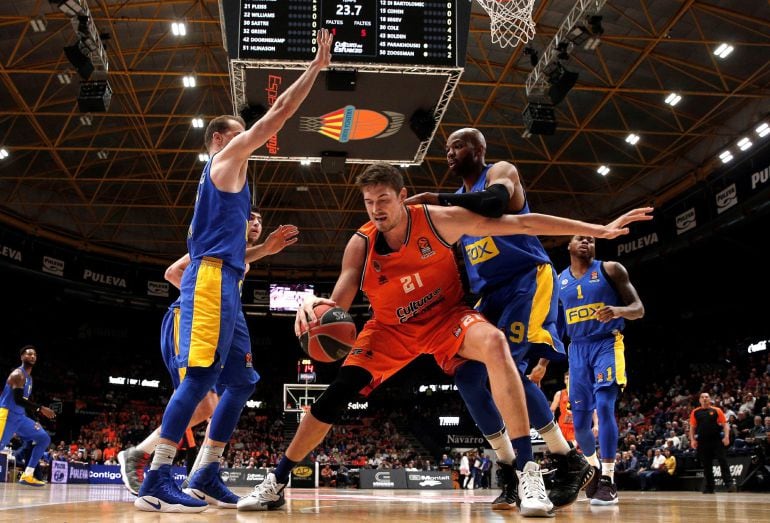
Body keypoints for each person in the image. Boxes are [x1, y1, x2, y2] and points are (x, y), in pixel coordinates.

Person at [237, 162, 652, 514]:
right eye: (369, 202)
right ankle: (275, 482)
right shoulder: (361, 244)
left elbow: (522, 222)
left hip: (445, 319)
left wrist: (599, 229)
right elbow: (340, 302)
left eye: (383, 199)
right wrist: (314, 305)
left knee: (495, 345)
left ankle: (527, 473)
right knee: (335, 394)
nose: (376, 209)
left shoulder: (439, 220)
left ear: (402, 196)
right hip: (389, 330)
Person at [134, 29, 332, 513]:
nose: (251, 137)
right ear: (221, 139)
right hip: (209, 280)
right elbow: (280, 112)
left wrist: (260, 247)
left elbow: (227, 246)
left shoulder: (233, 186)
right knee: (199, 378)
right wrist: (314, 68)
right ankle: (156, 475)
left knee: (241, 382)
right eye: (239, 131)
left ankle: (205, 472)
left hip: (228, 281)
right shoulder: (225, 161)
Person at [404, 128, 594, 510]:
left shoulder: (500, 172)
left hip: (527, 281)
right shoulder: (456, 205)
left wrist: (429, 199)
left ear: (478, 149)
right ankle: (510, 465)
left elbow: (493, 204)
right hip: (490, 295)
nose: (449, 154)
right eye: (446, 149)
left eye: (457, 146)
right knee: (468, 376)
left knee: (509, 371)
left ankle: (560, 457)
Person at [119, 213, 298, 496]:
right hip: (189, 318)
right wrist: (201, 300)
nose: (256, 224)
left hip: (220, 322)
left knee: (225, 398)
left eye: (260, 220)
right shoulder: (216, 245)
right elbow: (172, 272)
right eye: (249, 218)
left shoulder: (243, 257)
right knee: (204, 405)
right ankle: (138, 454)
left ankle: (201, 476)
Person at [557, 234, 646, 505]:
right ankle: (593, 469)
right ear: (569, 247)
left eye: (591, 240)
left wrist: (618, 310)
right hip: (577, 350)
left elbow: (638, 309)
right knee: (580, 422)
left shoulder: (610, 269)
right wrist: (542, 362)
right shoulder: (559, 281)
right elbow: (558, 327)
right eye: (579, 239)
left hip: (607, 343)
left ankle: (608, 479)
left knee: (605, 407)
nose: (586, 242)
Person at [0, 345, 55, 486]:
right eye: (29, 354)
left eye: (34, 355)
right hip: (7, 415)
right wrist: (41, 408)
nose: (32, 356)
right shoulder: (18, 374)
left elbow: (24, 402)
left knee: (43, 438)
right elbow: (18, 399)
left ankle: (27, 475)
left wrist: (35, 420)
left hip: (20, 417)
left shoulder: (29, 378)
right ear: (22, 357)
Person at [689, 392, 737, 493]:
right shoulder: (695, 412)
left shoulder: (717, 410)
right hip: (702, 442)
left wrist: (726, 437)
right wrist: (693, 440)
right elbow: (692, 428)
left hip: (716, 440)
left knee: (722, 461)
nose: (704, 399)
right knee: (706, 465)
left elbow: (725, 425)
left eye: (706, 397)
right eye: (702, 397)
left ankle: (729, 484)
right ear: (700, 400)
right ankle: (710, 487)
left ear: (710, 399)